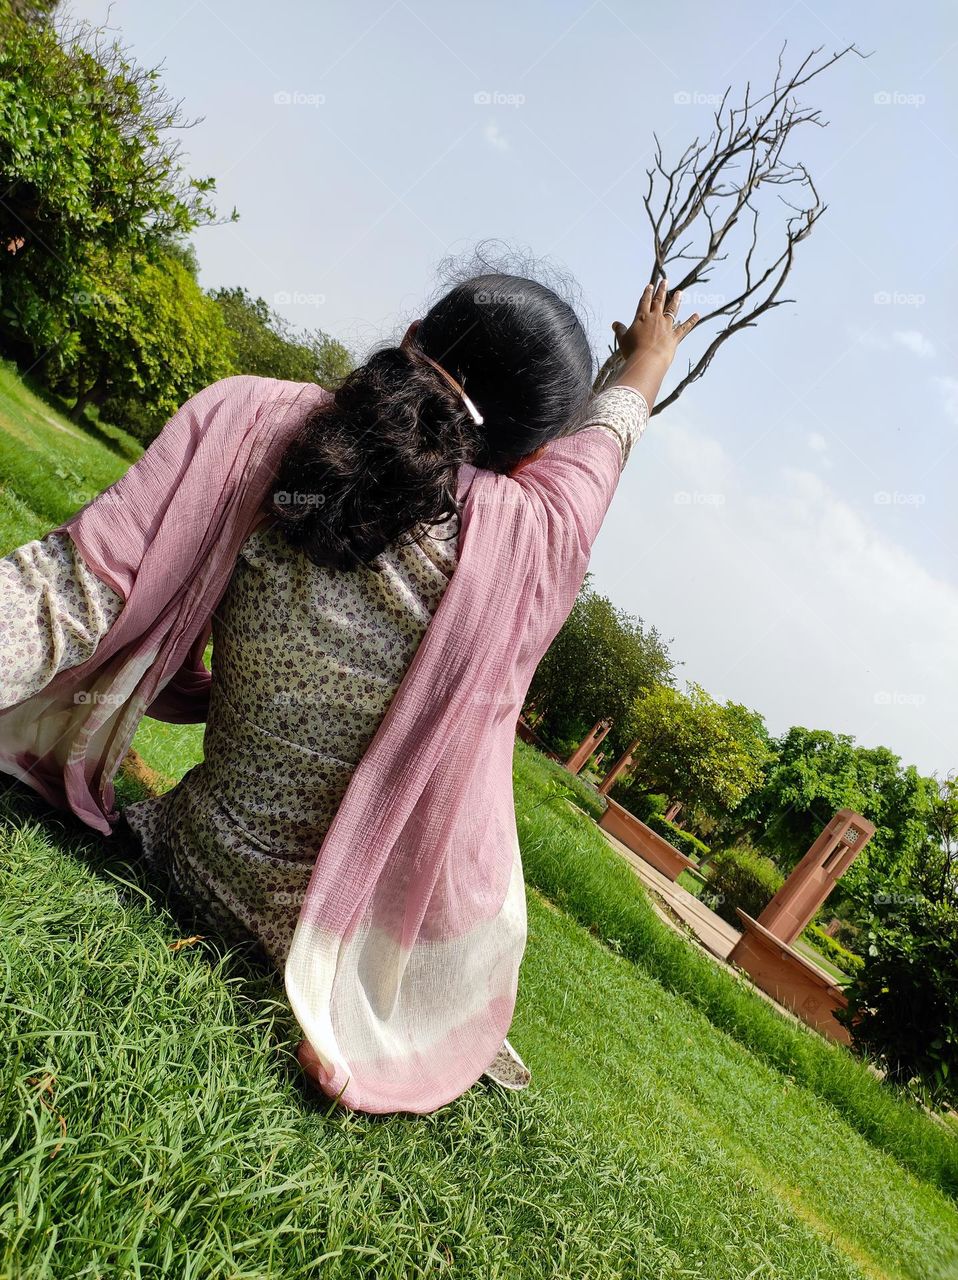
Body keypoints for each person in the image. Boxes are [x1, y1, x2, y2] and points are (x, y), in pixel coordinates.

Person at [0, 265, 697, 1112]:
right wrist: (647, 361)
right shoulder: (536, 542)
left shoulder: (257, 426)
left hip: (184, 857)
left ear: (411, 343)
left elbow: (65, 594)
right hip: (333, 973)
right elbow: (606, 448)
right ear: (535, 456)